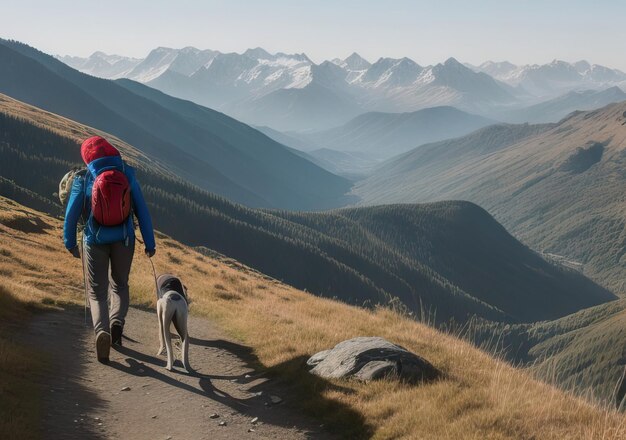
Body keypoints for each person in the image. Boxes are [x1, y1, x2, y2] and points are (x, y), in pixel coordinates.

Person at [64, 136, 156, 363]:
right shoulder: (127, 173)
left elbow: (71, 214)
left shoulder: (83, 178)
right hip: (124, 240)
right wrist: (150, 244)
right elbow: (142, 212)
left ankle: (102, 331)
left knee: (96, 291)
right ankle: (117, 322)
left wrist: (70, 243)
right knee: (120, 284)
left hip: (94, 240)